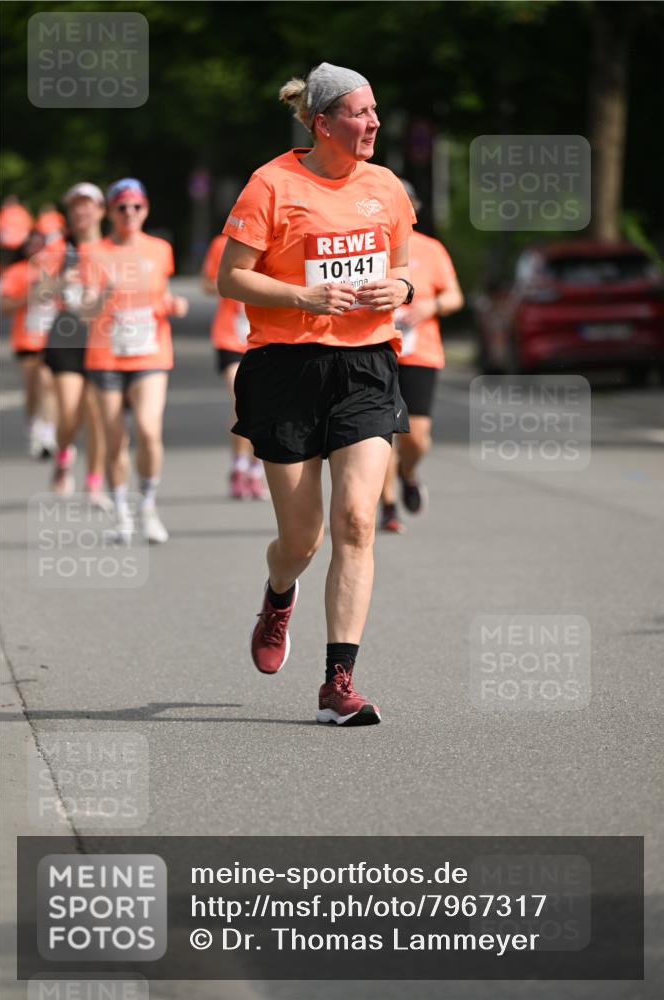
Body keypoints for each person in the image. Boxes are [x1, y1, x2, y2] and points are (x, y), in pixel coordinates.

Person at [219, 63, 415, 726]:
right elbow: (231, 278)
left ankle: (338, 683)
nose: (373, 124)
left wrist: (403, 289)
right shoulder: (272, 185)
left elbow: (403, 262)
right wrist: (303, 295)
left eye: (376, 112)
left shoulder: (385, 187)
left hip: (364, 366)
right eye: (360, 114)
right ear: (322, 123)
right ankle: (279, 595)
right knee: (301, 538)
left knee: (357, 520)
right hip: (285, 369)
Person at [84, 178, 188, 543]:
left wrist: (174, 304)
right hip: (106, 356)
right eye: (121, 207)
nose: (130, 213)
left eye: (136, 206)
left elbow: (164, 291)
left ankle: (147, 506)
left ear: (145, 209)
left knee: (148, 429)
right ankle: (122, 515)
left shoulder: (159, 249)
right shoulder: (94, 252)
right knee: (115, 440)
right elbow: (85, 311)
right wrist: (104, 295)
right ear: (110, 211)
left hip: (151, 352)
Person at [380, 180, 464, 533]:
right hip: (376, 348)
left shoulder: (431, 249)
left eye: (407, 205)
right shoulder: (367, 250)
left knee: (416, 438)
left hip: (420, 352)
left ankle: (408, 473)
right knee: (381, 435)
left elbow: (456, 298)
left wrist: (430, 305)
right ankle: (387, 507)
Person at [42, 183, 108, 502]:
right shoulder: (59, 249)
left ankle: (94, 480)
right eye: (75, 206)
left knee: (96, 412)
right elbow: (35, 292)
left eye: (88, 205)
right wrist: (58, 282)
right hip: (67, 333)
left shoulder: (113, 248)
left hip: (104, 336)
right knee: (69, 412)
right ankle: (64, 455)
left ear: (100, 211)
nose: (81, 211)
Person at [201, 234, 269, 499]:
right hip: (230, 336)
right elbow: (207, 283)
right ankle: (239, 466)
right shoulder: (222, 244)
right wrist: (236, 283)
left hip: (264, 336)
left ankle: (256, 468)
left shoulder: (277, 243)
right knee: (242, 399)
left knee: (262, 405)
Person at [0, 229, 57, 457]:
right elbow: (4, 308)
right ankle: (33, 422)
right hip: (25, 338)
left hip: (50, 337)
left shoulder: (54, 270)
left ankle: (48, 432)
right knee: (33, 387)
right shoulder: (16, 272)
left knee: (47, 382)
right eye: (30, 245)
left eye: (39, 245)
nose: (35, 249)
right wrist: (30, 296)